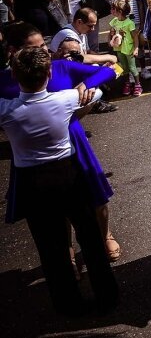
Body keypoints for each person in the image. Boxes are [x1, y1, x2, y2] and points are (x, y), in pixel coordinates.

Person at [0, 47, 119, 315]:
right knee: (89, 236)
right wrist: (87, 89)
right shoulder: (65, 100)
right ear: (49, 73)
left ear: (16, 77)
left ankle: (68, 304)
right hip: (68, 174)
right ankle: (107, 295)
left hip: (32, 181)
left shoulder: (6, 109)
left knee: (50, 246)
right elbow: (104, 82)